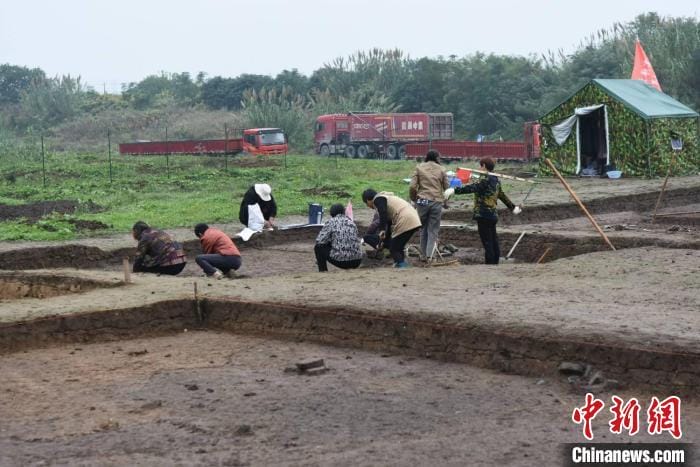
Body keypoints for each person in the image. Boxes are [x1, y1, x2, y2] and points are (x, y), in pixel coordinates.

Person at [444, 157, 522, 265]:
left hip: (483, 214)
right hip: (493, 215)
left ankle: (490, 265)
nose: (479, 167)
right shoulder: (496, 180)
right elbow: (502, 196)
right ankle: (495, 263)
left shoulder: (485, 179)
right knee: (493, 240)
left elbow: (473, 187)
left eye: (480, 165)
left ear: (484, 166)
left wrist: (454, 190)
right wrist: (513, 208)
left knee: (488, 242)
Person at [361, 188, 421, 268]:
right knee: (398, 246)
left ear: (368, 200)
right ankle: (400, 263)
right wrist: (383, 240)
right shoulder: (386, 198)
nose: (368, 206)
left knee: (394, 248)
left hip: (405, 218)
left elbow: (383, 213)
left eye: (366, 203)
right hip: (414, 218)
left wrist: (382, 230)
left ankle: (402, 266)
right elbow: (389, 224)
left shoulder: (378, 199)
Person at [410, 149, 449, 261]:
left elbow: (412, 186)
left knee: (423, 228)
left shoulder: (419, 168)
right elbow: (447, 188)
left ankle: (422, 255)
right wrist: (446, 202)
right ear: (437, 158)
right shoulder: (442, 169)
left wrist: (414, 199)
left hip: (422, 201)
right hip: (436, 201)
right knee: (433, 229)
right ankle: (430, 255)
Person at [314, 204, 363, 272]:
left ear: (331, 213)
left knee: (318, 247)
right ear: (343, 212)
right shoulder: (351, 223)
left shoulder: (330, 222)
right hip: (357, 261)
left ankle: (323, 270)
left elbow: (319, 240)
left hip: (341, 261)